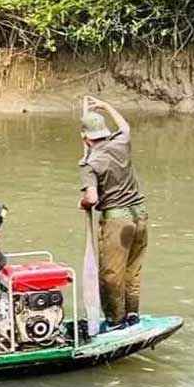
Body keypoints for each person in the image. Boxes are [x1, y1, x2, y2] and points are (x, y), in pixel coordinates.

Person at [78, 96, 147, 330]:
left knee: (111, 275)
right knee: (132, 270)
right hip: (140, 217)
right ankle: (133, 315)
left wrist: (84, 204)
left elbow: (92, 198)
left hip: (118, 222)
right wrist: (107, 107)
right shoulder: (122, 142)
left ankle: (116, 320)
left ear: (86, 139)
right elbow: (125, 126)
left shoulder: (90, 163)